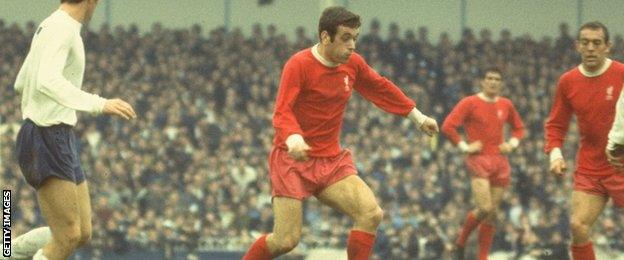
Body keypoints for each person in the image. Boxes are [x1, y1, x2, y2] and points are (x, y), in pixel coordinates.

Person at [242, 6, 438, 260]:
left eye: (355, 37)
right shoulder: (299, 64)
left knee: (371, 213)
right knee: (286, 241)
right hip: (291, 160)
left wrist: (418, 117)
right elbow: (282, 111)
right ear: (326, 37)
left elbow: (380, 88)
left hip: (330, 161)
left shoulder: (353, 65)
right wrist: (294, 138)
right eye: (346, 38)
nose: (353, 45)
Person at [9, 0, 137, 259]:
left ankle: (6, 251)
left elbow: (21, 82)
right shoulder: (62, 29)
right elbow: (46, 79)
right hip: (46, 134)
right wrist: (99, 103)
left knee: (81, 233)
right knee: (67, 235)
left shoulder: (50, 25)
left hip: (57, 134)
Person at [545, 21, 624, 260]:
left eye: (597, 43)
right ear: (577, 46)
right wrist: (556, 155)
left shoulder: (622, 74)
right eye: (586, 43)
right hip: (591, 168)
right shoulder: (568, 81)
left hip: (622, 165)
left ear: (607, 47)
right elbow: (556, 125)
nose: (591, 48)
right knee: (578, 226)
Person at [441, 68, 524, 260]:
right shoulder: (470, 102)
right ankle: (460, 242)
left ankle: (482, 257)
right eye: (489, 78)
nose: (493, 82)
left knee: (492, 213)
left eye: (497, 79)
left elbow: (519, 128)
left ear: (501, 83)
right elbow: (448, 126)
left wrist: (511, 144)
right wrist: (464, 146)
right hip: (479, 159)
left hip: (500, 161)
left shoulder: (506, 104)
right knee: (485, 207)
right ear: (482, 81)